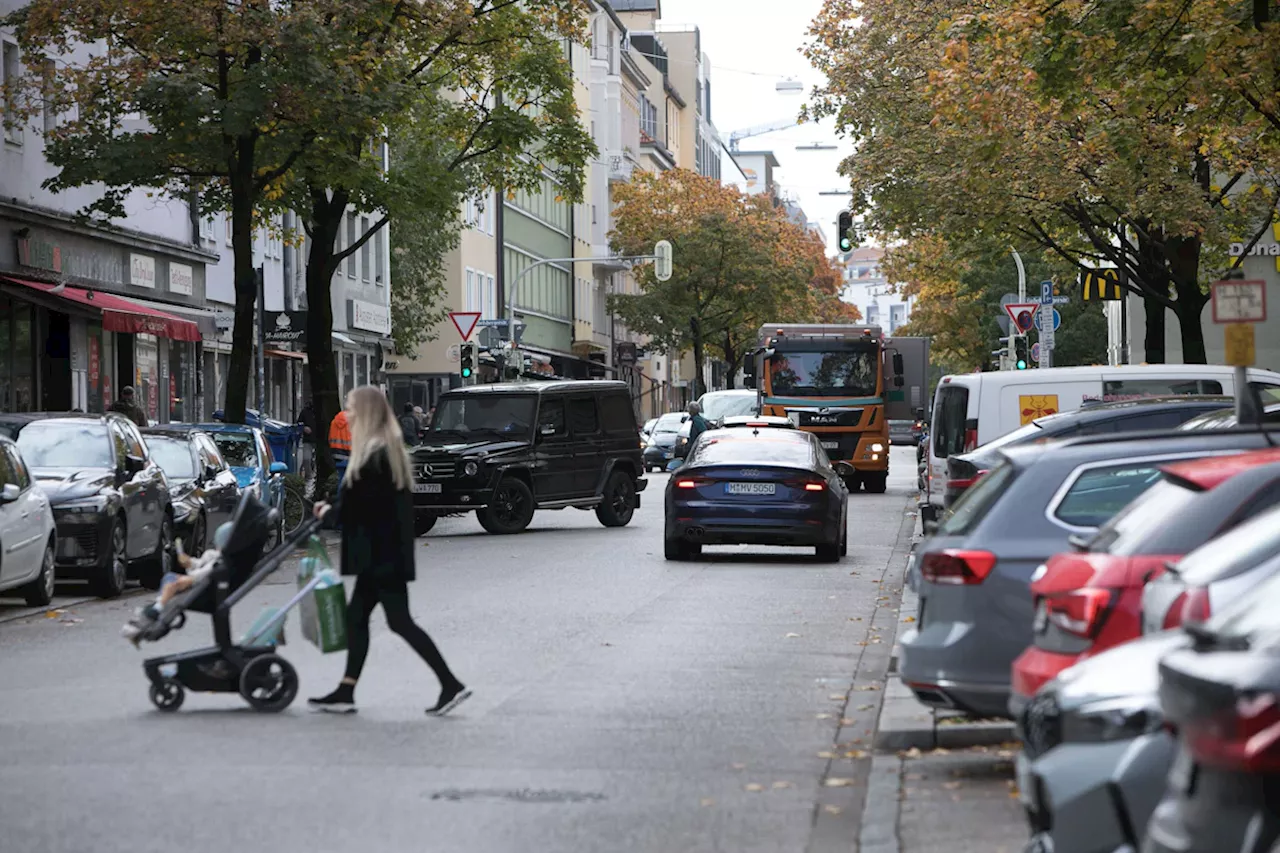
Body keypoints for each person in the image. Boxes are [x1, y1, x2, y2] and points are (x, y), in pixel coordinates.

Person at [307, 386, 469, 716]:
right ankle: (346, 690)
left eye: (352, 409)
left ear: (365, 413)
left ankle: (450, 683)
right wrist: (335, 508)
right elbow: (364, 503)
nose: (347, 415)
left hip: (380, 557)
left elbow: (363, 507)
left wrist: (329, 514)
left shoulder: (374, 456)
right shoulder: (382, 451)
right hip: (382, 554)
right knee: (358, 619)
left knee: (400, 622)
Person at [120, 523, 232, 644]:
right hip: (204, 582)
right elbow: (200, 565)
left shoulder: (220, 561)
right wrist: (189, 563)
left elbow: (205, 573)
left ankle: (156, 610)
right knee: (170, 579)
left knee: (172, 586)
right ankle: (158, 606)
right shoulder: (215, 556)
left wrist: (190, 577)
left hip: (203, 584)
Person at [328, 407, 351, 485]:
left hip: (336, 455)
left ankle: (340, 496)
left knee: (341, 480)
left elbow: (330, 438)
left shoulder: (334, 422)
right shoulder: (352, 422)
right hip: (348, 455)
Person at [297, 400, 317, 486]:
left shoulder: (321, 411)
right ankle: (309, 477)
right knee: (306, 459)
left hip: (319, 440)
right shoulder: (305, 412)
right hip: (308, 440)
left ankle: (315, 476)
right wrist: (304, 428)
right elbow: (298, 423)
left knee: (319, 459)